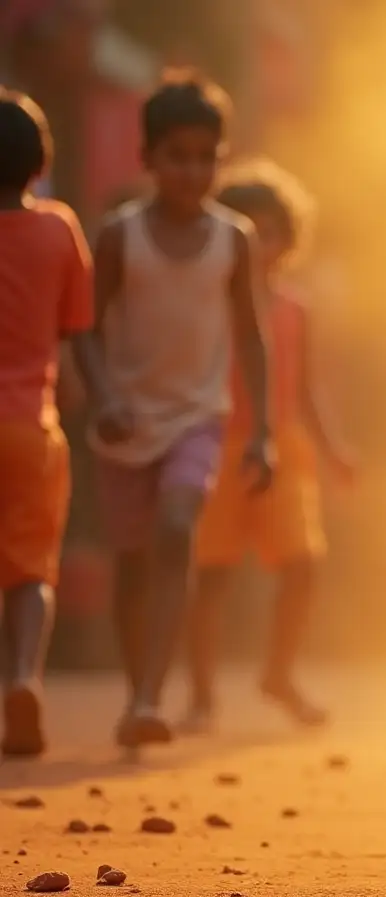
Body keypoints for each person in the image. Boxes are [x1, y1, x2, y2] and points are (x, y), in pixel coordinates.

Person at [79, 70, 274, 749]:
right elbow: (85, 329)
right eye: (176, 157)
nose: (192, 171)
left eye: (205, 157)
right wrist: (103, 398)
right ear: (148, 159)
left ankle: (149, 696)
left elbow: (251, 336)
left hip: (198, 418)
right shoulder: (119, 236)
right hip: (125, 422)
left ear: (222, 158)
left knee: (175, 525)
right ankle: (138, 690)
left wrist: (263, 433)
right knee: (132, 566)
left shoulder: (234, 238)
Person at [183, 159, 356, 732]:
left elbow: (305, 387)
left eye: (271, 233)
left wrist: (333, 449)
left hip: (284, 446)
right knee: (211, 575)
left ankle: (278, 673)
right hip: (219, 445)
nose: (261, 245)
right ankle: (201, 696)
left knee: (304, 565)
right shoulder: (209, 302)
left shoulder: (296, 309)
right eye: (247, 231)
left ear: (289, 239)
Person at [0, 89, 95, 757]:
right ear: (41, 162)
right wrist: (102, 400)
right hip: (32, 426)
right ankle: (25, 676)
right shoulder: (60, 228)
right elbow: (79, 330)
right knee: (32, 568)